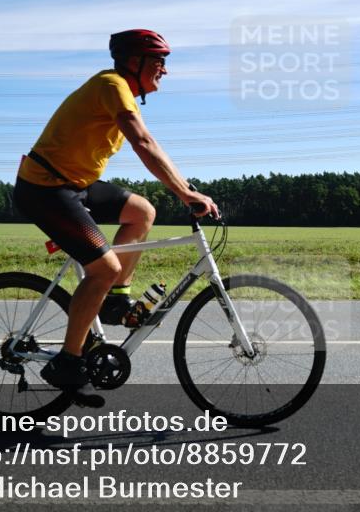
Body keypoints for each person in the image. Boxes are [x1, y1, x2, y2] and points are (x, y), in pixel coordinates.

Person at [13, 29, 219, 399]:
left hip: (74, 184)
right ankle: (68, 361)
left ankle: (114, 300)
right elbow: (143, 142)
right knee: (103, 268)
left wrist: (188, 190)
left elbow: (149, 144)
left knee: (141, 212)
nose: (164, 71)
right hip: (45, 188)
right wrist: (186, 193)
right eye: (159, 62)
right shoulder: (112, 85)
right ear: (134, 62)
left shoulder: (120, 90)